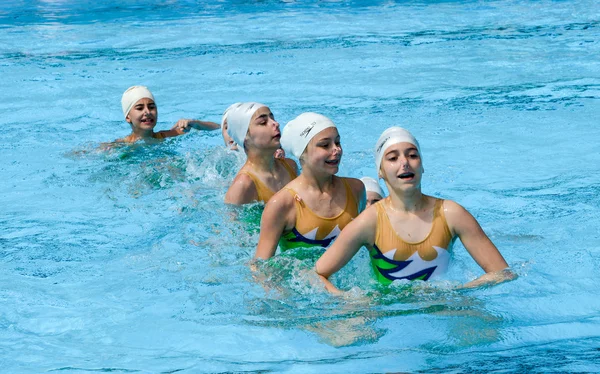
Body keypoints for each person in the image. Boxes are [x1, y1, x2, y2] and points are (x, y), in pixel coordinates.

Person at [315, 127, 516, 292]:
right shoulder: (369, 222)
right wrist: (348, 300)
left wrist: (458, 291)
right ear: (381, 172)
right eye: (392, 158)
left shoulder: (452, 214)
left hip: (444, 312)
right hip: (390, 318)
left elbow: (504, 273)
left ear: (422, 165)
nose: (404, 163)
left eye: (412, 155)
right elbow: (317, 274)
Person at [254, 112, 366, 260]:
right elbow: (260, 268)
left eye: (337, 142)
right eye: (325, 145)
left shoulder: (356, 189)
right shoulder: (282, 204)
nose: (337, 150)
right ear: (302, 153)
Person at [224, 102, 298, 205]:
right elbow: (232, 220)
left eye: (273, 118)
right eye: (263, 122)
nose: (276, 124)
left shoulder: (291, 166)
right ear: (245, 136)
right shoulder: (243, 185)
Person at [114, 85, 219, 144]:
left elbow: (217, 127)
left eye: (151, 107)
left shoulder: (165, 135)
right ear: (128, 117)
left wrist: (194, 123)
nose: (147, 112)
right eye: (140, 108)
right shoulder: (122, 144)